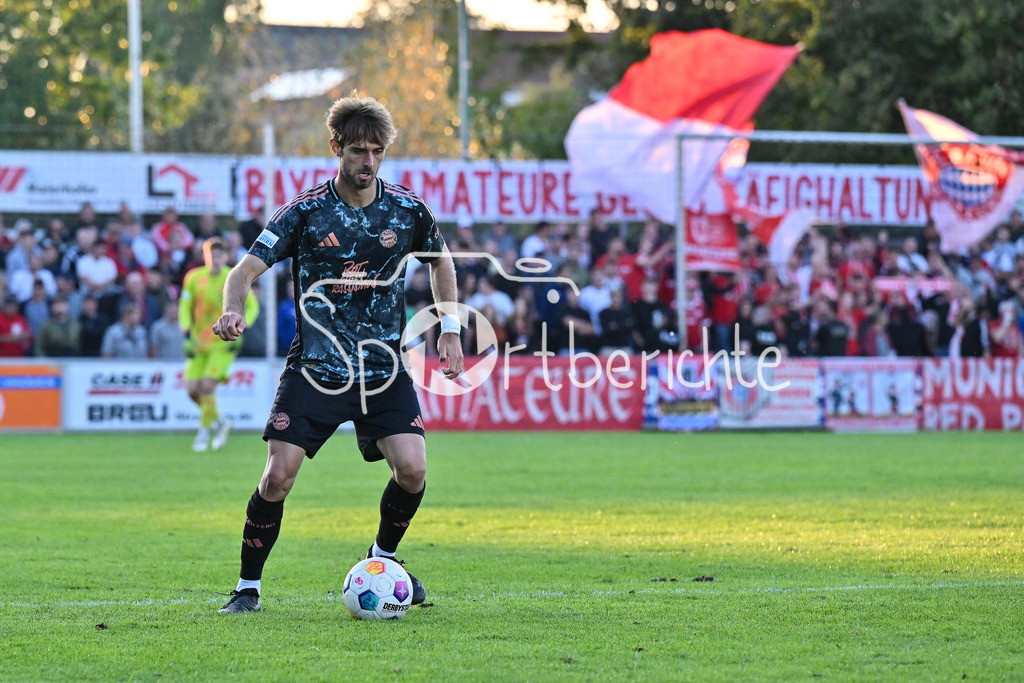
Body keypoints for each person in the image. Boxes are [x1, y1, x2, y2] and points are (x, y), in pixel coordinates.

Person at [212, 94, 464, 614]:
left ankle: (383, 558)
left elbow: (442, 263)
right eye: (357, 151)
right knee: (278, 475)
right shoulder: (304, 213)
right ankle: (247, 588)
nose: (367, 162)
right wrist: (234, 309)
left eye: (376, 151)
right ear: (336, 149)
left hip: (381, 369)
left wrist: (451, 328)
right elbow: (243, 272)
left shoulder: (407, 210)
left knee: (413, 470)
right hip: (317, 370)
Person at [180, 236, 258, 452]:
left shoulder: (232, 278)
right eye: (210, 255)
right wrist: (186, 331)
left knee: (207, 386)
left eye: (218, 255)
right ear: (205, 256)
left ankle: (203, 432)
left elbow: (252, 307)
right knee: (192, 390)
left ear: (225, 257)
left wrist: (242, 326)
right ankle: (220, 422)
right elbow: (184, 306)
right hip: (198, 342)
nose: (214, 259)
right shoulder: (193, 278)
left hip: (223, 343)